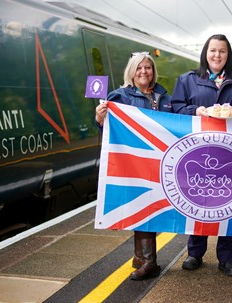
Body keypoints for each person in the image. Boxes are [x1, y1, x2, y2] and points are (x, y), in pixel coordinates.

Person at [171, 34, 232, 276]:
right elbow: (175, 108)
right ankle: (194, 253)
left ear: (228, 55)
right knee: (197, 200)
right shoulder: (187, 80)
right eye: (213, 51)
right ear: (205, 53)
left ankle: (227, 258)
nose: (217, 55)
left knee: (229, 203)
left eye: (222, 51)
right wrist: (195, 110)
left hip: (231, 155)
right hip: (197, 153)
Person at [95, 51, 172, 281]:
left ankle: (140, 257)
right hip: (134, 162)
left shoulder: (164, 97)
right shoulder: (120, 96)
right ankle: (150, 262)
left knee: (152, 206)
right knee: (144, 205)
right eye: (139, 68)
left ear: (153, 71)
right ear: (132, 71)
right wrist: (100, 118)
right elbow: (108, 128)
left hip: (161, 162)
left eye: (147, 67)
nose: (143, 72)